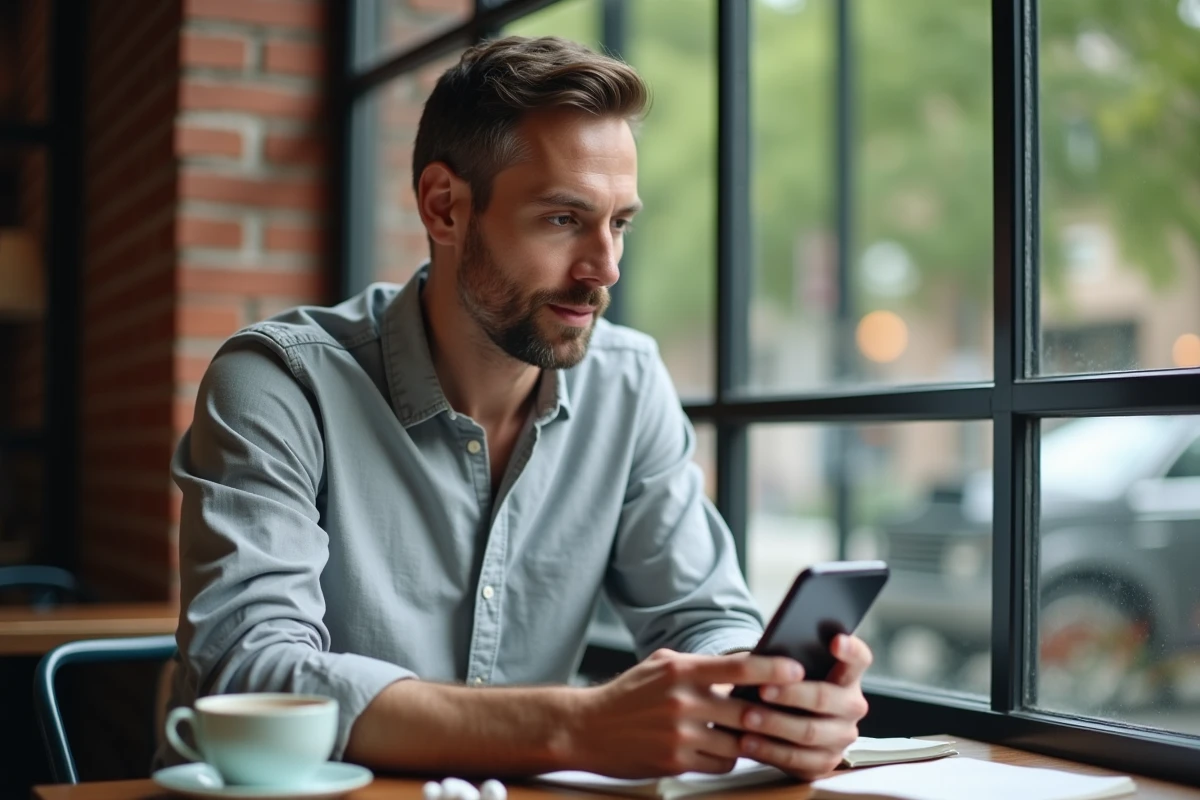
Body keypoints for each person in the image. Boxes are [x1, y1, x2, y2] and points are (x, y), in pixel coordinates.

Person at [165, 35, 872, 781]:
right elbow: (250, 672)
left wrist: (771, 696)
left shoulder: (628, 385)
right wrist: (574, 726)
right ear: (445, 207)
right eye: (563, 219)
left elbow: (702, 615)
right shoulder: (280, 383)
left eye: (619, 223)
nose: (606, 268)